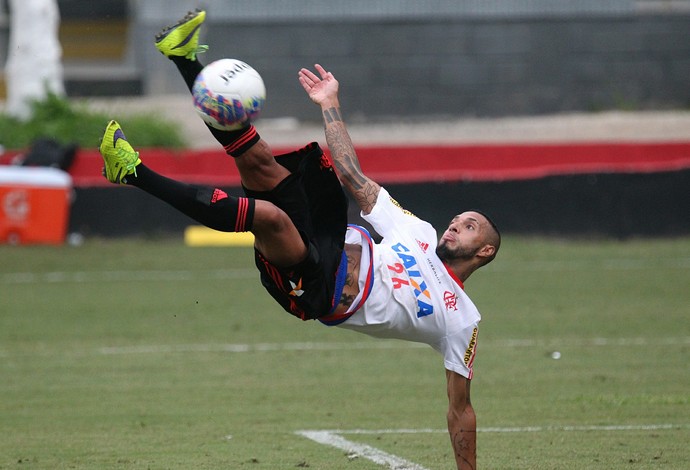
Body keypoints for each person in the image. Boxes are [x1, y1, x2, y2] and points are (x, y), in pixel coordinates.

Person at [99, 10, 500, 469]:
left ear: (485, 251)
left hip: (316, 289)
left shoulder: (462, 320)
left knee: (268, 217)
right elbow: (351, 175)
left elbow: (460, 409)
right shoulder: (421, 234)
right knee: (260, 161)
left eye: (469, 226)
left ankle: (132, 171)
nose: (455, 224)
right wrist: (330, 102)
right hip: (328, 235)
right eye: (459, 218)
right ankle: (184, 58)